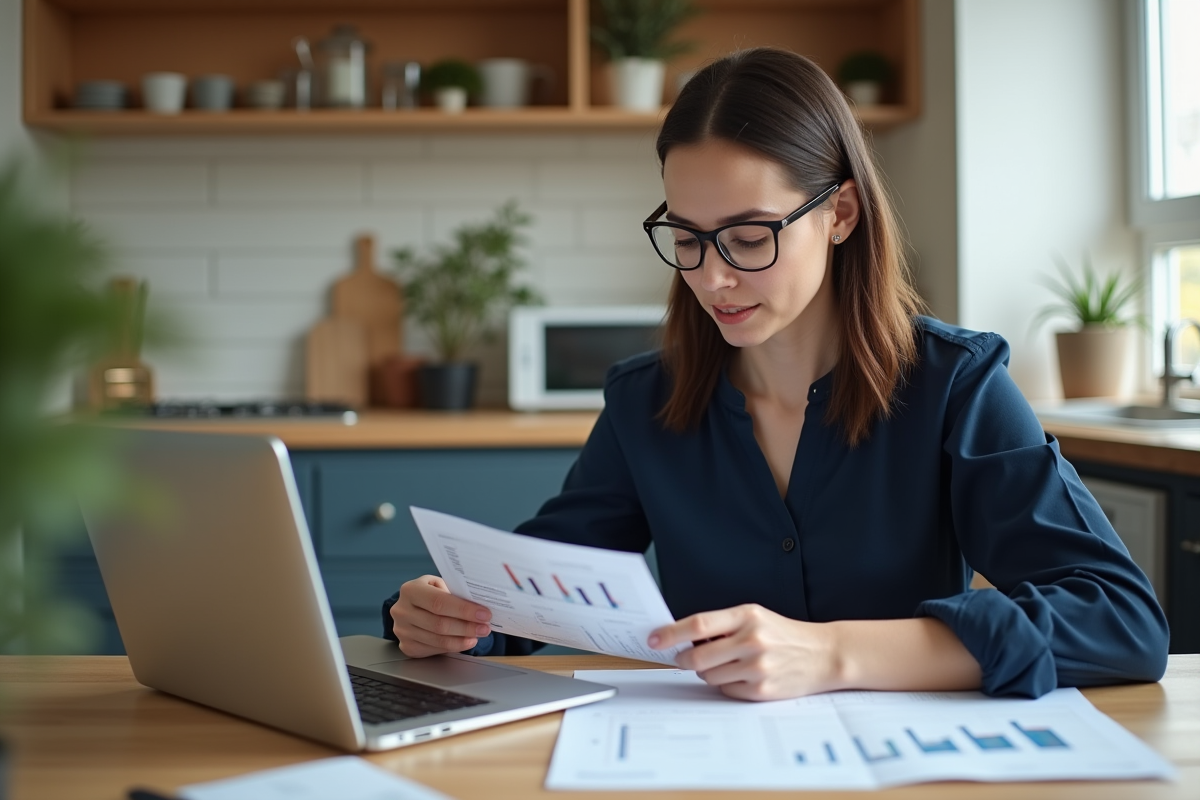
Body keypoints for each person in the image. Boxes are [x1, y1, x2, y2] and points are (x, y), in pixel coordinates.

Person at [382, 47, 1168, 701]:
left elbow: (1121, 621)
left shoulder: (956, 385)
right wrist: (447, 612)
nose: (712, 277)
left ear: (841, 214)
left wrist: (832, 655)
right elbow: (537, 594)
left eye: (749, 237)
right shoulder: (643, 402)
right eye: (686, 237)